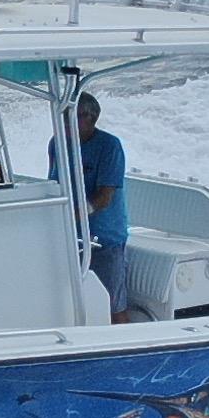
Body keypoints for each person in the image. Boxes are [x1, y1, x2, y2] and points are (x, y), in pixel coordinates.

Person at [64, 92, 139, 324]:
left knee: (113, 305)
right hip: (71, 238)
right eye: (63, 115)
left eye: (72, 116)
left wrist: (74, 216)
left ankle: (127, 344)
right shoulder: (57, 144)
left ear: (91, 117)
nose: (65, 122)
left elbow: (105, 197)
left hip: (105, 239)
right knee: (71, 302)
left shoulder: (109, 146)